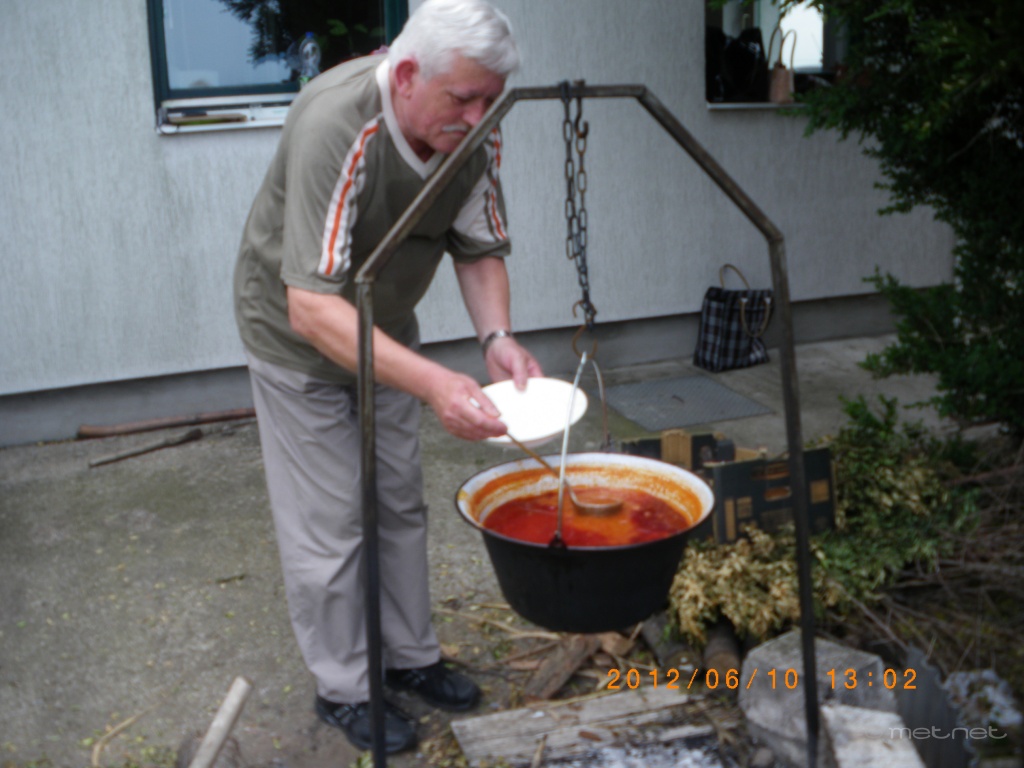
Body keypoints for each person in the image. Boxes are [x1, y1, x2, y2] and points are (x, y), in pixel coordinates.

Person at [232, 0, 542, 755]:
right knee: (332, 522)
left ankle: (410, 656)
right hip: (297, 339)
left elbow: (477, 247)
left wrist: (497, 338)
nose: (477, 117)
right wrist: (435, 384)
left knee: (398, 499)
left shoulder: (472, 125)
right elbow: (311, 308)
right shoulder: (337, 124)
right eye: (462, 98)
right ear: (405, 76)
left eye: (489, 99)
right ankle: (346, 687)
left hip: (386, 329)